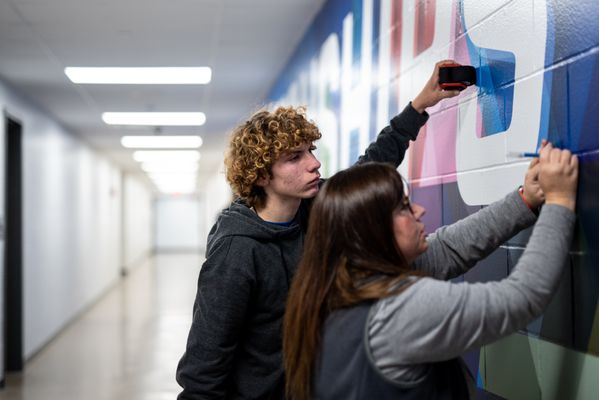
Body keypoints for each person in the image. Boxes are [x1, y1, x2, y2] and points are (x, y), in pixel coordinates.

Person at [176, 61, 462, 399]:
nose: (314, 163)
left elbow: (367, 171)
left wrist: (418, 107)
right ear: (262, 176)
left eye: (310, 150)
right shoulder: (236, 251)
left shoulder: (316, 208)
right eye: (294, 157)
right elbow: (203, 368)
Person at [283, 143, 578, 400]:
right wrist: (560, 202)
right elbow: (521, 298)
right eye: (403, 207)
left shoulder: (338, 287)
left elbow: (449, 248)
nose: (419, 211)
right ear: (372, 231)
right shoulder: (395, 309)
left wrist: (526, 199)